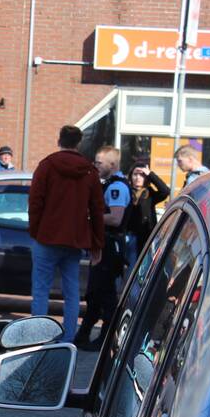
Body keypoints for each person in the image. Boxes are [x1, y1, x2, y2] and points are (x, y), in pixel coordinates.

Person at [27, 125, 104, 348]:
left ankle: (37, 336)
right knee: (71, 292)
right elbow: (97, 209)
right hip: (75, 239)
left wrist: (36, 231)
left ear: (59, 140)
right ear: (78, 143)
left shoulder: (47, 166)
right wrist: (97, 243)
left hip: (46, 237)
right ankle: (68, 338)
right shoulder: (89, 171)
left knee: (40, 289)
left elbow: (35, 202)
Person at [77, 145, 130, 349]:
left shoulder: (117, 187)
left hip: (110, 246)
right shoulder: (109, 184)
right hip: (103, 244)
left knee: (105, 294)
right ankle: (83, 335)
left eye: (99, 162)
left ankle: (106, 339)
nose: (95, 165)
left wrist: (88, 216)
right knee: (94, 293)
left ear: (112, 164)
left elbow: (116, 218)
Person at [124, 160, 170, 268]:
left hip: (146, 238)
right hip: (129, 236)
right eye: (135, 174)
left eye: (142, 175)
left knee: (141, 269)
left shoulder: (150, 193)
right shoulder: (125, 190)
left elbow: (165, 191)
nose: (138, 177)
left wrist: (150, 174)